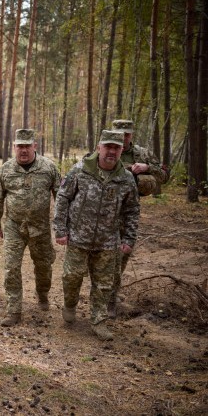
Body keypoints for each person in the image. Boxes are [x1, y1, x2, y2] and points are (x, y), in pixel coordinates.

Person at [53, 130, 140, 341]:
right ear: (99, 147)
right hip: (78, 237)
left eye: (116, 148)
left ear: (121, 150)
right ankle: (70, 304)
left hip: (108, 240)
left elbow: (132, 211)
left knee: (103, 284)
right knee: (71, 277)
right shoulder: (80, 170)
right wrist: (60, 230)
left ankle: (99, 321)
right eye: (108, 146)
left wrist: (129, 239)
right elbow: (63, 198)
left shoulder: (126, 179)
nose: (111, 151)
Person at [0, 129, 61, 326]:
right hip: (14, 227)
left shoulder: (48, 168)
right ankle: (14, 310)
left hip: (40, 228)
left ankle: (43, 293)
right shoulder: (6, 169)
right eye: (19, 146)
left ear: (34, 146)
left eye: (27, 146)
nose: (23, 150)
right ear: (14, 147)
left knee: (44, 266)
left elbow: (61, 197)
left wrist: (62, 226)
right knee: (11, 268)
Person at [110, 119, 169, 316]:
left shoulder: (143, 154)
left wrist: (146, 168)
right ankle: (106, 293)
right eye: (119, 134)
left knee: (124, 250)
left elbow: (164, 175)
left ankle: (113, 291)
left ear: (131, 135)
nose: (123, 138)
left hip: (129, 210)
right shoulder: (106, 149)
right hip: (105, 208)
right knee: (106, 252)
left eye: (126, 134)